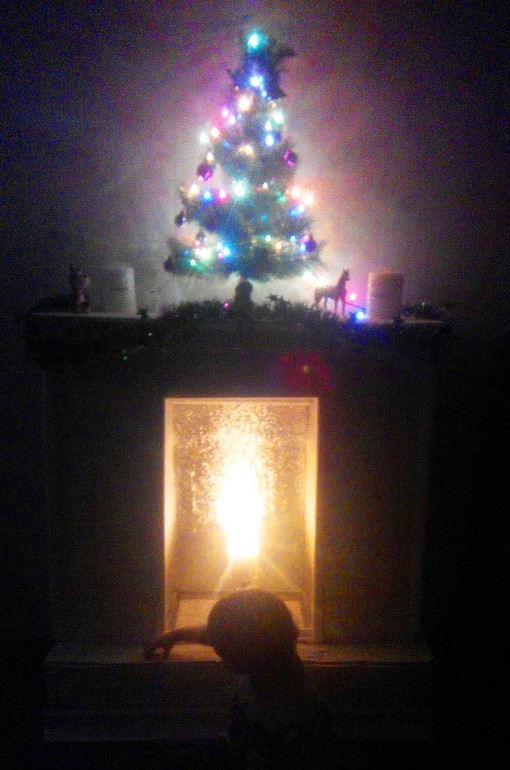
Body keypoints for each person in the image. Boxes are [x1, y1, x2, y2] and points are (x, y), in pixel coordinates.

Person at [144, 588, 338, 769]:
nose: (221, 659)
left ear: (245, 654)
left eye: (223, 654)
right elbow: (213, 634)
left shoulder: (294, 711)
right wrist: (175, 635)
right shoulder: (261, 652)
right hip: (235, 744)